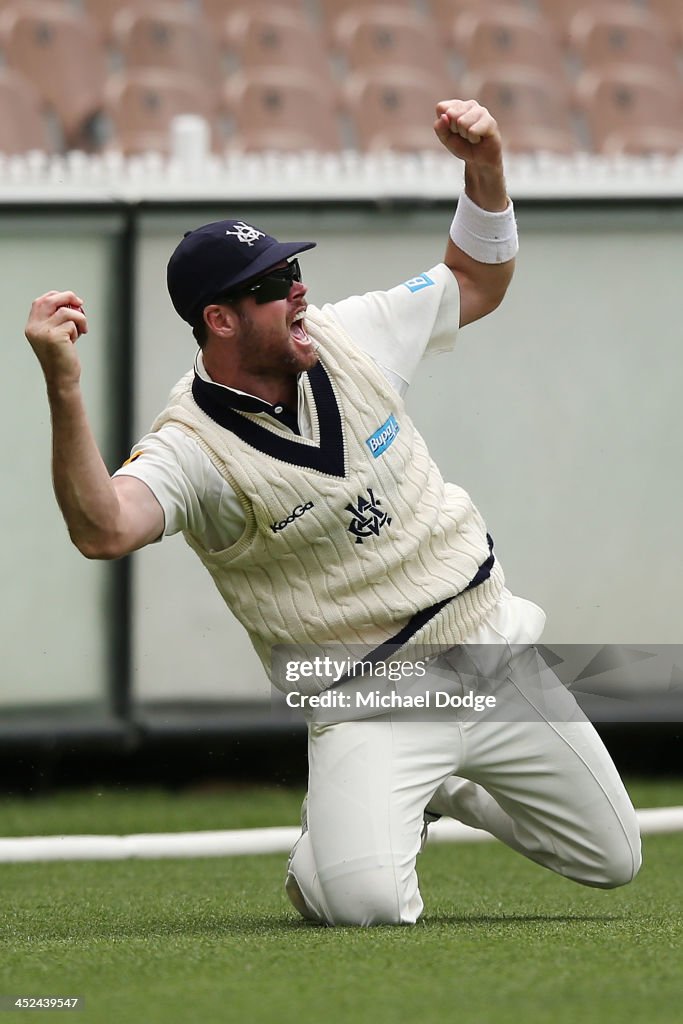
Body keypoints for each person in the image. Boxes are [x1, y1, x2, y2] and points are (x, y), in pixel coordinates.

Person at [25, 99, 641, 927]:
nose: (299, 291)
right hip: (368, 698)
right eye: (276, 286)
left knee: (613, 859)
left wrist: (484, 163)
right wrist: (64, 385)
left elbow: (476, 279)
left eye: (293, 272)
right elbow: (102, 528)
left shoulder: (352, 334)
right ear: (220, 319)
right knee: (366, 905)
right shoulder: (190, 447)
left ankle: (443, 790)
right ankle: (344, 845)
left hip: (491, 650)